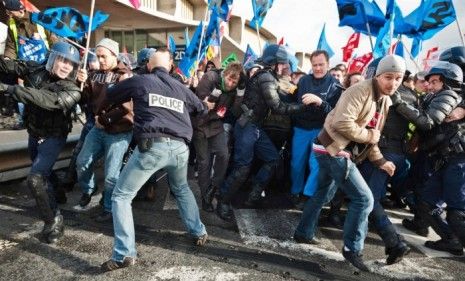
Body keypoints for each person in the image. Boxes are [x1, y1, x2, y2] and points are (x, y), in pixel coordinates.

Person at [99, 48, 213, 271]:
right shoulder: (181, 87)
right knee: (181, 188)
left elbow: (110, 96)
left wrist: (115, 81)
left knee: (121, 196)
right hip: (181, 148)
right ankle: (199, 231)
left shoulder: (141, 81)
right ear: (170, 66)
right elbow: (201, 109)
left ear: (149, 65)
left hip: (153, 146)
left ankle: (124, 254)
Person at [294, 55, 406, 272]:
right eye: (388, 77)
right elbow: (343, 123)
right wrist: (370, 137)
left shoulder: (384, 99)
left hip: (333, 148)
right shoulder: (359, 91)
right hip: (333, 149)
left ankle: (303, 233)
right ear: (378, 75)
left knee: (323, 194)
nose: (393, 83)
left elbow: (371, 136)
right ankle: (352, 249)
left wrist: (381, 161)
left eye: (398, 78)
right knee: (364, 199)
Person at [0, 41, 84, 243]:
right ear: (53, 58)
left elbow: (44, 99)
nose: (66, 66)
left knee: (36, 178)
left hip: (53, 137)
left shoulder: (73, 90)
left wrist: (10, 89)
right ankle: (58, 192)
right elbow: (8, 65)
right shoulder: (34, 68)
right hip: (33, 132)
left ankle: (54, 221)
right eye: (62, 60)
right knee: (44, 173)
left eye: (71, 63)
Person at [216, 44, 312, 221]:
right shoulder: (266, 77)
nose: (284, 66)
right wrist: (304, 107)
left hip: (254, 127)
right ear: (274, 62)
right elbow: (278, 106)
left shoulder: (267, 76)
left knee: (273, 159)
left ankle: (253, 194)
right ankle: (222, 200)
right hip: (247, 126)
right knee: (242, 167)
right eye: (282, 63)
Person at [394, 61, 465, 255]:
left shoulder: (448, 95)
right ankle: (451, 239)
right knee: (426, 202)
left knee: (457, 212)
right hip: (441, 160)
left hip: (457, 161)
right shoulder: (436, 96)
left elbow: (428, 122)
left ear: (448, 82)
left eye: (434, 82)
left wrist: (398, 102)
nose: (429, 86)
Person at [75, 38, 134, 221]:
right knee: (82, 162)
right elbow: (85, 100)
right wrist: (82, 84)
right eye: (98, 56)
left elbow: (127, 107)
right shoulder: (94, 74)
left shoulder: (126, 75)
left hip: (119, 130)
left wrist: (105, 119)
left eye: (104, 56)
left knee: (111, 175)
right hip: (98, 128)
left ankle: (109, 208)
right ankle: (89, 189)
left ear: (114, 55)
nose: (100, 60)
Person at [290, 50, 343, 208]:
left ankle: (307, 196)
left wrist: (320, 102)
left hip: (321, 130)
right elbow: (296, 102)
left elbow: (335, 112)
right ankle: (295, 191)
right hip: (301, 128)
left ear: (328, 64)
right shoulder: (304, 80)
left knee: (316, 165)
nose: (318, 68)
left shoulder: (335, 85)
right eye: (315, 65)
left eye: (321, 65)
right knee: (296, 163)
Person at [192, 61, 245, 212]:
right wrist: (213, 96)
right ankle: (205, 198)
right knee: (204, 163)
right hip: (200, 123)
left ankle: (213, 188)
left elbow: (234, 112)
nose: (230, 84)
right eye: (229, 79)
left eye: (234, 82)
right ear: (225, 73)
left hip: (216, 123)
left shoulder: (235, 88)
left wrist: (240, 94)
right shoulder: (210, 77)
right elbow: (199, 105)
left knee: (223, 154)